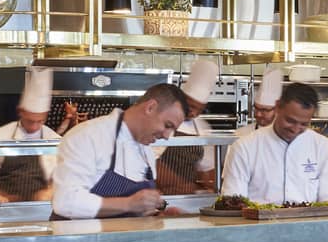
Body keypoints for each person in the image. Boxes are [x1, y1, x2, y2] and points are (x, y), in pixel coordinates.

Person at [51, 83, 187, 219]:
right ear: (150, 107)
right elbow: (65, 202)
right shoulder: (87, 135)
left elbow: (134, 213)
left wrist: (157, 214)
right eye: (167, 125)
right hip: (81, 239)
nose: (167, 136)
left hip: (120, 238)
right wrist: (128, 204)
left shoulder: (147, 152)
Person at [220, 82, 328, 204]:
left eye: (304, 124)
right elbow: (232, 202)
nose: (295, 129)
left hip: (309, 224)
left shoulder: (322, 146)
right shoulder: (244, 147)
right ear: (278, 107)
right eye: (290, 121)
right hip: (258, 224)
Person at [0, 66, 61, 202]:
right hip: (5, 209)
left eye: (40, 121)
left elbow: (64, 177)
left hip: (41, 210)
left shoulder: (54, 140)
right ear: (20, 111)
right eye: (30, 121)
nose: (34, 126)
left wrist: (50, 192)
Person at [156, 59, 220, 194]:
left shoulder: (202, 127)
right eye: (191, 106)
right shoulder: (162, 119)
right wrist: (180, 184)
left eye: (199, 110)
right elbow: (152, 163)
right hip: (160, 194)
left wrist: (213, 184)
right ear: (182, 98)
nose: (194, 113)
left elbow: (207, 169)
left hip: (188, 196)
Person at [234, 68, 282, 137]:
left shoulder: (286, 136)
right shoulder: (241, 134)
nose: (258, 114)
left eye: (264, 110)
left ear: (277, 109)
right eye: (256, 108)